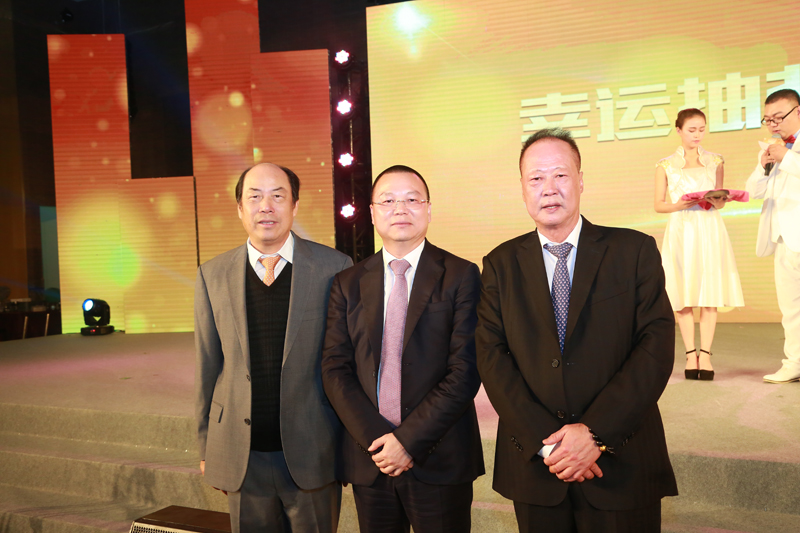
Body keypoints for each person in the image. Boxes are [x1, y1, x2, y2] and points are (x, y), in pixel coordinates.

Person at [476, 128, 677, 532]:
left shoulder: (633, 251)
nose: (549, 188)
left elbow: (654, 347)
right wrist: (548, 443)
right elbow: (492, 357)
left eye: (560, 175)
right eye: (536, 178)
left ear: (581, 181)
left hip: (621, 461)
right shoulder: (499, 264)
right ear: (522, 188)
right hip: (538, 465)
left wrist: (595, 434)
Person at [322, 165, 484, 532]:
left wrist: (406, 441)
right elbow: (334, 368)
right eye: (388, 201)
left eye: (412, 199)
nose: (400, 209)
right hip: (372, 458)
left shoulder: (461, 275)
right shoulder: (347, 283)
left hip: (439, 456)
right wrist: (380, 441)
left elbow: (466, 370)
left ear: (429, 209)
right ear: (372, 212)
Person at [195, 163, 353, 532]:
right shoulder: (212, 274)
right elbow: (208, 366)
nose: (266, 206)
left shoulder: (334, 267)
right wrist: (207, 447)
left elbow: (348, 366)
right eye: (254, 197)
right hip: (242, 455)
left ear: (295, 205)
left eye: (278, 196)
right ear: (240, 208)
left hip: (314, 451)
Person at [654, 108, 744, 380]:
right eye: (692, 130)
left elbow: (718, 201)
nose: (697, 135)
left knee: (709, 291)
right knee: (682, 292)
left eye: (702, 129)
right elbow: (658, 204)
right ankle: (689, 354)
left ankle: (705, 355)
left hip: (708, 227)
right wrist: (680, 204)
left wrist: (719, 199)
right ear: (679, 130)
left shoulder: (715, 160)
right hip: (681, 228)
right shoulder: (665, 165)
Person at [746, 88, 800, 384]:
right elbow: (753, 191)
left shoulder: (786, 152)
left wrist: (787, 157)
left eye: (778, 117)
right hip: (782, 238)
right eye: (768, 119)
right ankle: (794, 363)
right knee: (790, 307)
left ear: (798, 111)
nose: (773, 124)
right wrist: (765, 166)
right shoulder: (772, 149)